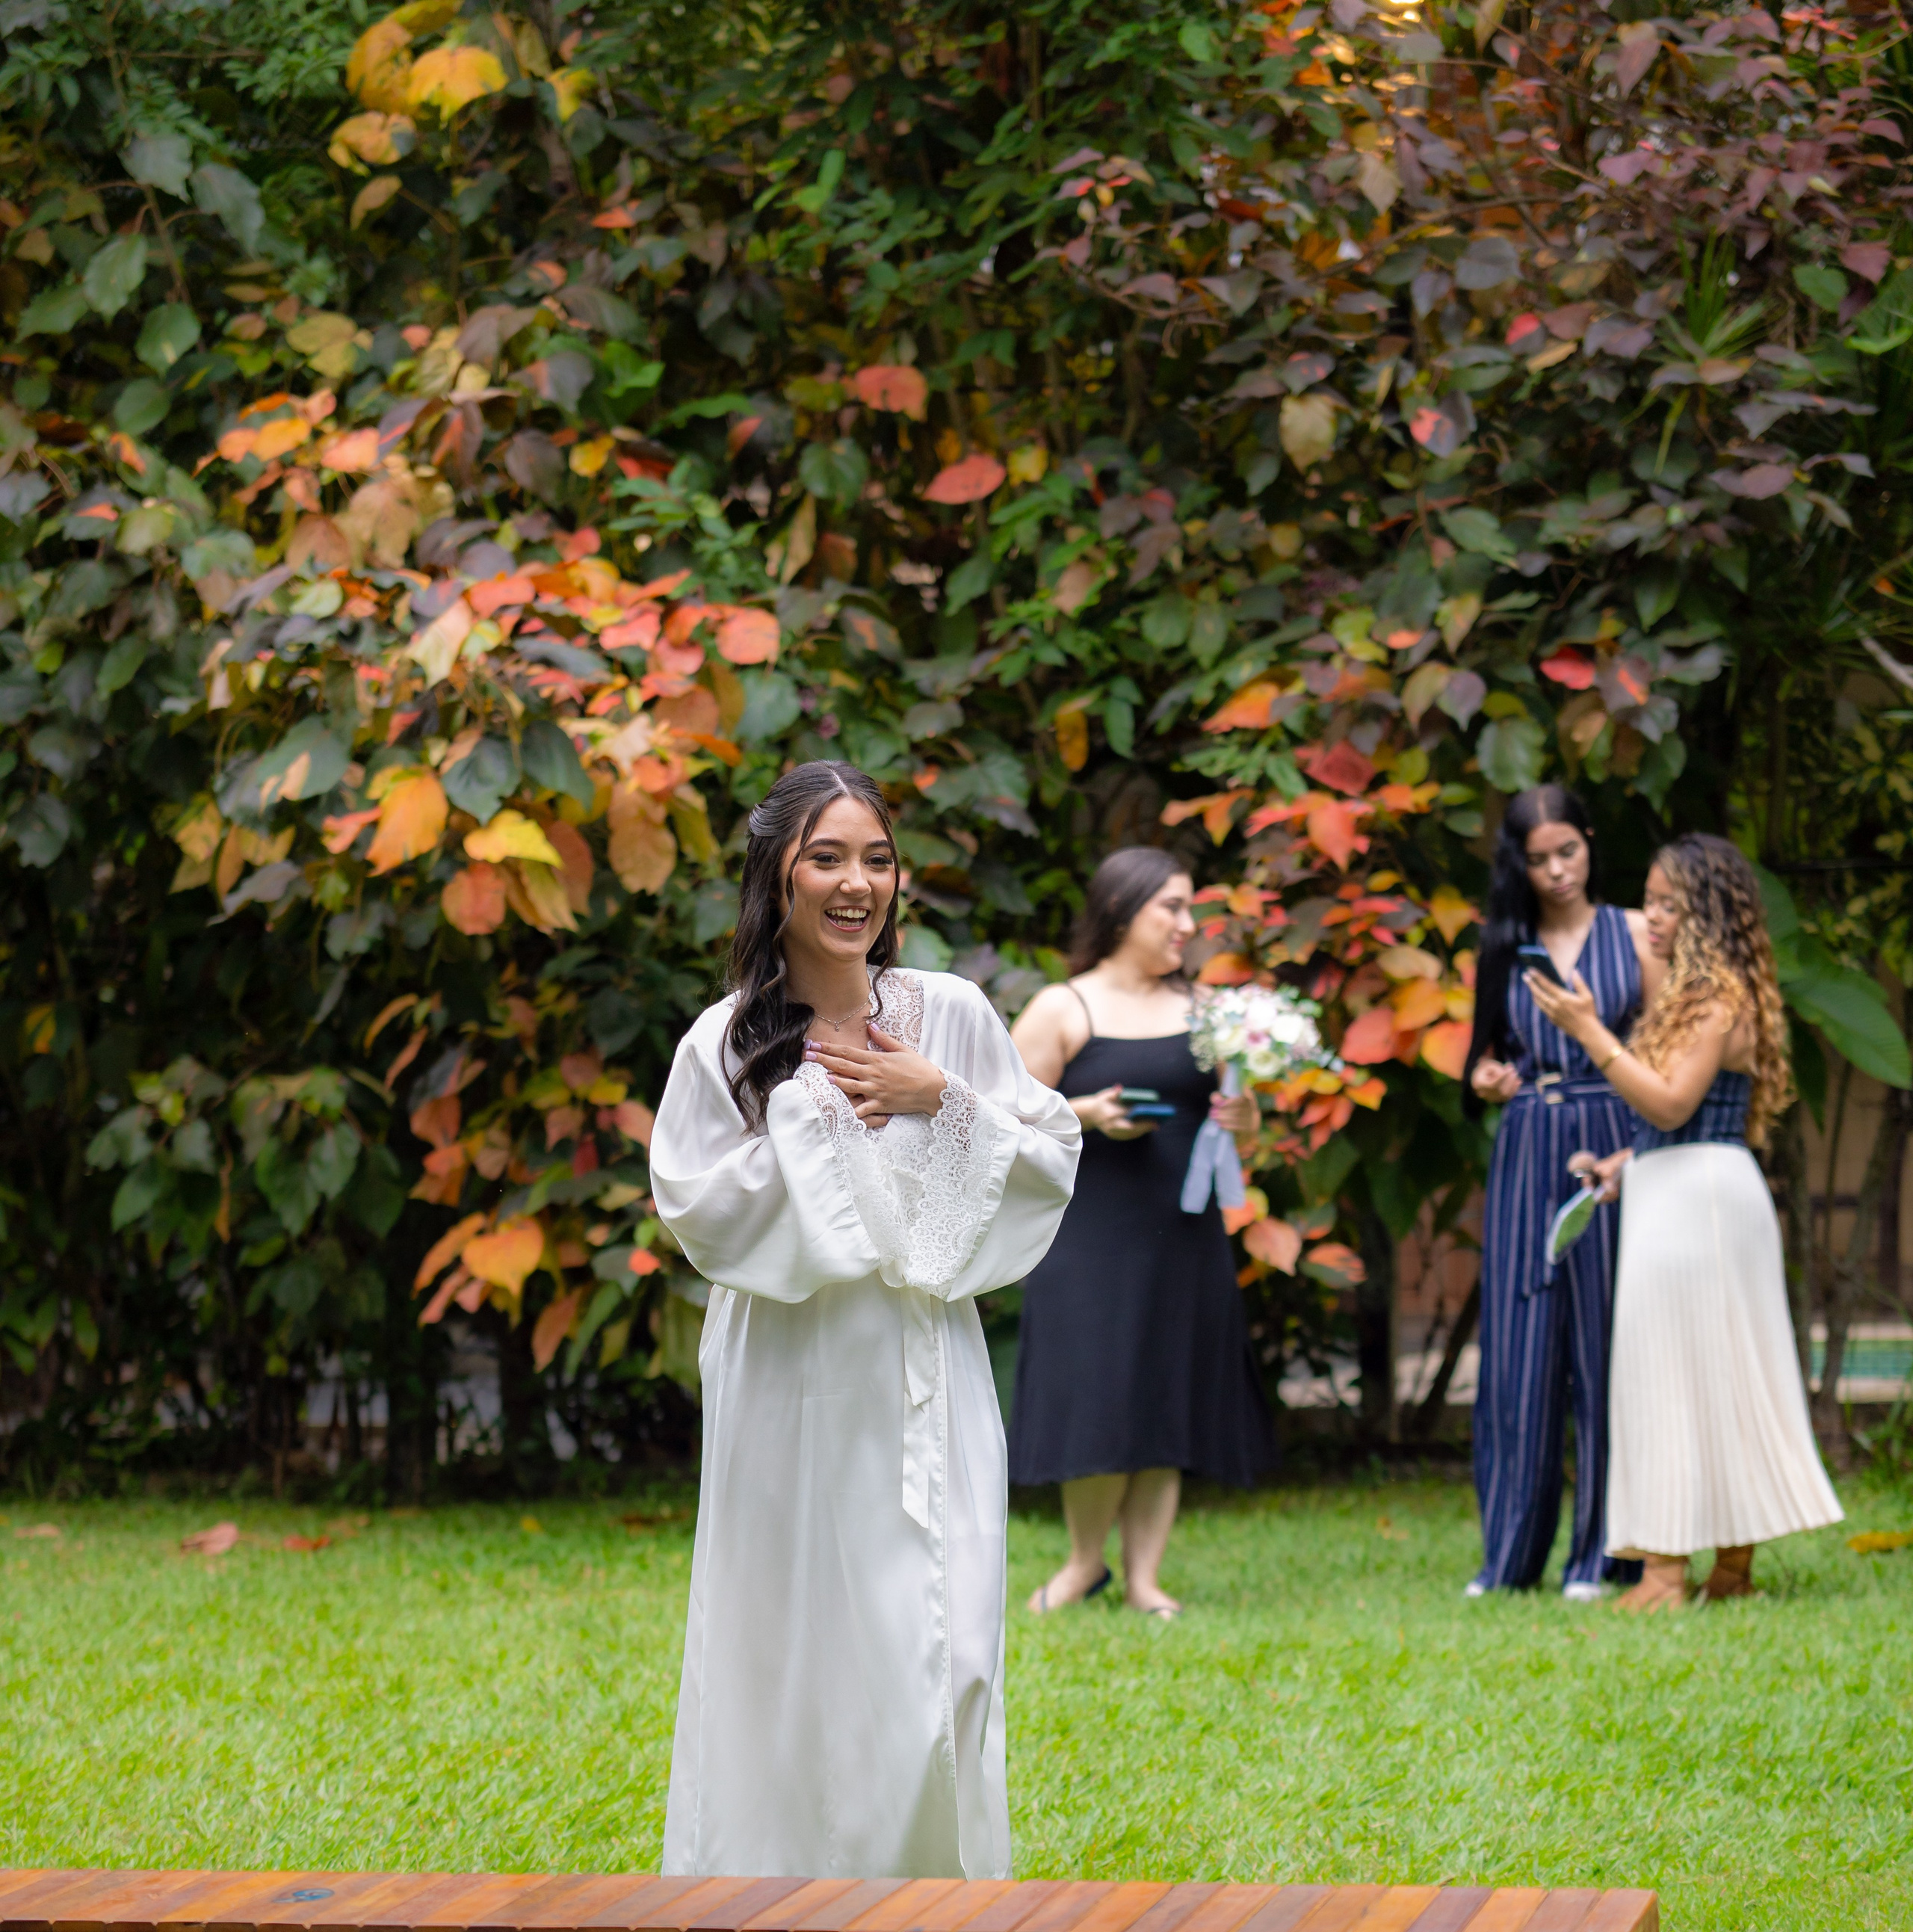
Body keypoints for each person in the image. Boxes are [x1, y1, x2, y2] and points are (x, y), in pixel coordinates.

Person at [648, 761, 1081, 1877]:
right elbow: (699, 1204)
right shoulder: (728, 1043)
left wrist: (943, 1101)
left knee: (946, 1650)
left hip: (926, 1366)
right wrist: (810, 1116)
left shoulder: (954, 1017)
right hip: (793, 1378)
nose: (857, 884)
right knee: (794, 1656)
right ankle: (775, 1886)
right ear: (776, 874)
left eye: (877, 859)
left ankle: (938, 1893)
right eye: (828, 857)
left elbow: (1048, 1153)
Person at [1529, 832, 1843, 1610]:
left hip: (1697, 1205)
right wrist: (1620, 1164)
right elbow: (1681, 1120)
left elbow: (1669, 1101)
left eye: (1670, 903)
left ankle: (1666, 1576)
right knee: (1717, 1373)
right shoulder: (1703, 992)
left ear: (1707, 911)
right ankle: (1729, 1571)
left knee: (1669, 1371)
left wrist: (1589, 1031)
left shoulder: (1714, 995)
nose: (1652, 916)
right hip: (1689, 1187)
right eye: (1650, 899)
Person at [1006, 845, 1273, 1620]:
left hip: (1183, 1231)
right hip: (1089, 1235)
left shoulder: (1207, 1009)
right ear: (1123, 911)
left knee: (1165, 1393)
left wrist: (1246, 1121)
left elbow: (1238, 1130)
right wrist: (1087, 1114)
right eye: (1174, 908)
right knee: (1096, 1391)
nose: (1189, 925)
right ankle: (1084, 1563)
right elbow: (1004, 1114)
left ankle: (1143, 1577)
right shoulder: (1064, 1007)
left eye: (1191, 908)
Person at [1462, 785, 1661, 1601]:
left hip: (1614, 1139)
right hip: (1528, 1141)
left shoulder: (1637, 932)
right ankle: (1508, 1556)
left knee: (1607, 1347)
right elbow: (1483, 1055)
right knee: (1517, 1348)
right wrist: (1485, 1077)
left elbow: (1666, 1044)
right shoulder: (1503, 944)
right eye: (1537, 859)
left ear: (1588, 841)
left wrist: (1634, 1147)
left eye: (1566, 852)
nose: (1555, 872)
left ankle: (1603, 1554)